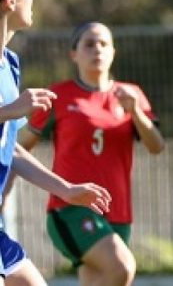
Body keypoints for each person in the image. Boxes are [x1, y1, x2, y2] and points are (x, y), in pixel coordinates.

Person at [20, 20, 165, 286]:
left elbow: (156, 146)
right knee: (122, 267)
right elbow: (17, 148)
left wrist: (135, 113)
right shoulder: (58, 95)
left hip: (117, 210)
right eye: (89, 44)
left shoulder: (131, 95)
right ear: (73, 54)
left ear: (113, 52)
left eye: (103, 44)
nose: (97, 49)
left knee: (100, 279)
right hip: (72, 208)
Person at [0, 0, 112, 286]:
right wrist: (9, 110)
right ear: (10, 1)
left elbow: (11, 149)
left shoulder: (10, 64)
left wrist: (67, 190)